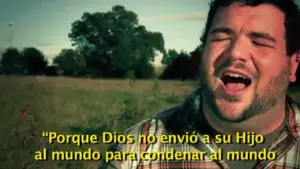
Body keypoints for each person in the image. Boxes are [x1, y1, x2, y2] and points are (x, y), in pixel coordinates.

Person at [99, 0, 300, 168]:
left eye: (260, 42)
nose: (235, 52)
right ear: (203, 51)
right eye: (221, 37)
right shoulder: (136, 150)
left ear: (293, 64)